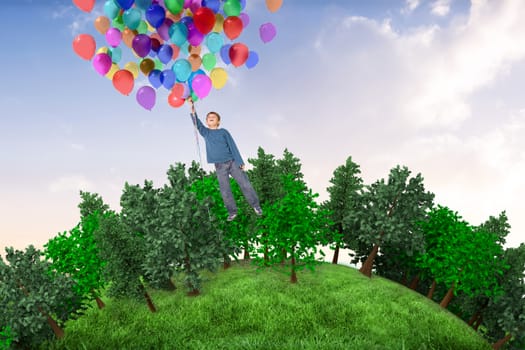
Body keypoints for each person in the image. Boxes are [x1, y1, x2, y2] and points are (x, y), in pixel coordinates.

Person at [188, 98, 262, 221]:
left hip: (232, 162)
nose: (210, 117)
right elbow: (197, 123)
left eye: (213, 116)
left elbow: (232, 145)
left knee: (245, 184)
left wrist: (240, 161)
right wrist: (192, 107)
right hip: (219, 166)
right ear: (206, 121)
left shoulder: (223, 132)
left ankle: (256, 206)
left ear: (218, 121)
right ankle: (232, 212)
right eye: (208, 117)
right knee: (225, 190)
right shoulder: (205, 132)